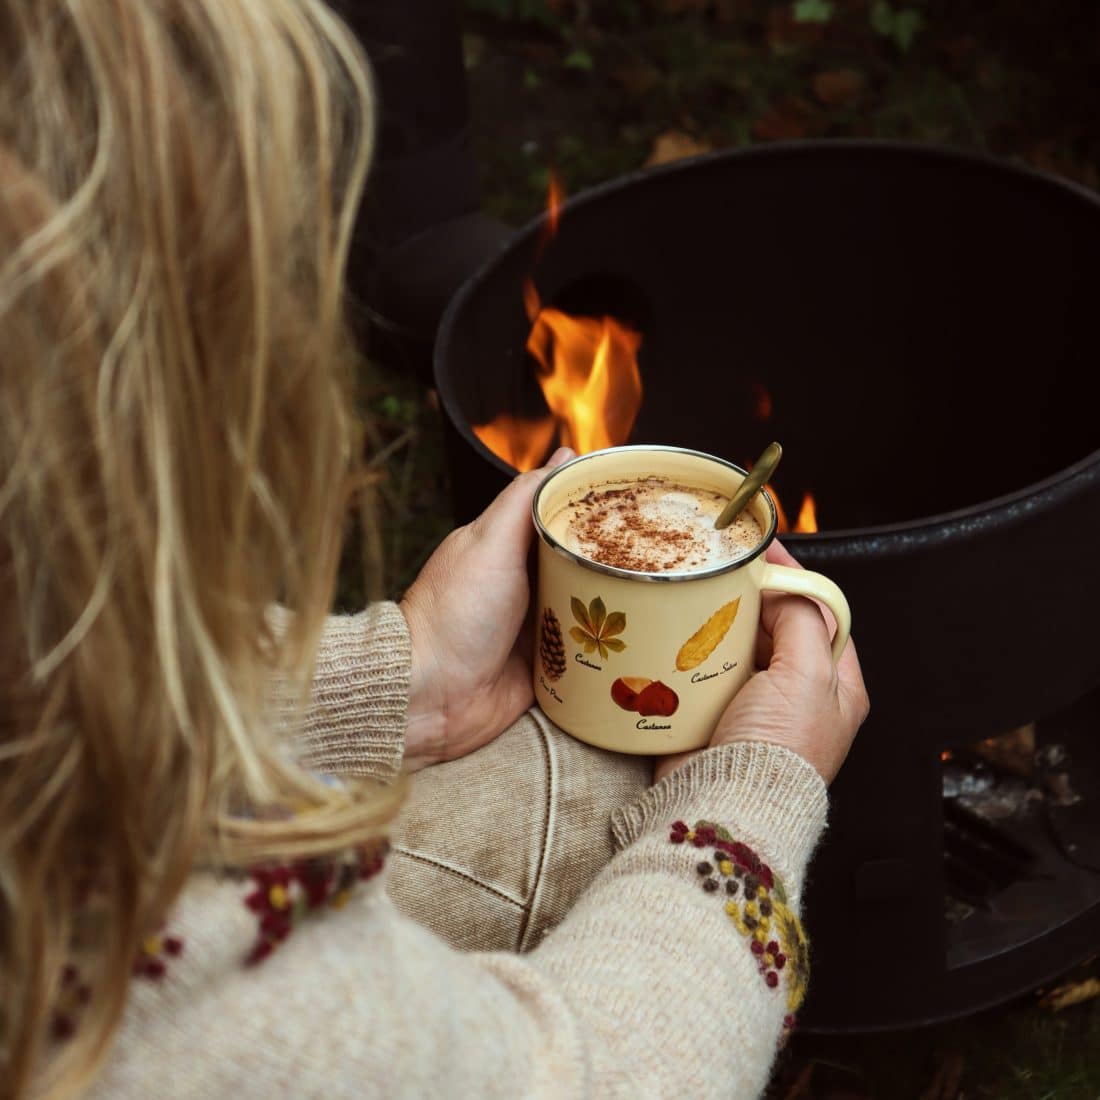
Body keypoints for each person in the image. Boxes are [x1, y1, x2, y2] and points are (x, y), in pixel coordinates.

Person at [0, 3, 869, 1099]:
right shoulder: (160, 974)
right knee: (625, 786)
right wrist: (746, 802)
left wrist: (399, 677)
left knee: (591, 767)